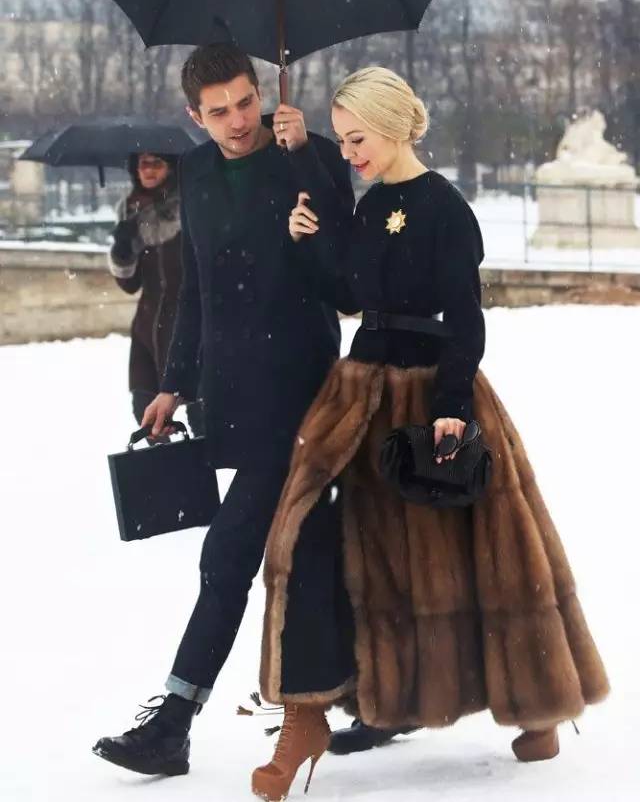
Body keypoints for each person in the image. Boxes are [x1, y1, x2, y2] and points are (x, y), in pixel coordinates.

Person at [251, 67, 609, 801]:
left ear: (392, 126)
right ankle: (337, 705)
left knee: (482, 558)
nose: (349, 153)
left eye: (357, 139)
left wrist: (451, 404)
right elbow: (351, 295)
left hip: (433, 392)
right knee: (349, 548)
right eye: (341, 140)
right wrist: (306, 244)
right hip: (362, 392)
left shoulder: (445, 207)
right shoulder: (370, 204)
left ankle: (537, 703)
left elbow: (465, 318)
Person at [93, 43, 354, 777]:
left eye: (247, 102)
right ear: (195, 116)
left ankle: (173, 722)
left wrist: (305, 164)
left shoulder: (310, 153)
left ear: (260, 93)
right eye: (220, 111)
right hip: (232, 393)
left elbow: (345, 278)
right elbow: (198, 291)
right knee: (318, 548)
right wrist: (173, 383)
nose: (239, 121)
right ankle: (377, 698)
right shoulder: (198, 173)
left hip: (303, 391)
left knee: (230, 552)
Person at [108, 152, 204, 436]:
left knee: (201, 413)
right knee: (146, 415)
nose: (148, 170)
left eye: (156, 163)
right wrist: (123, 251)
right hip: (147, 326)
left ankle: (205, 460)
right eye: (142, 163)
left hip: (189, 324)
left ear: (170, 167)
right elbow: (130, 284)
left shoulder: (190, 207)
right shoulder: (130, 212)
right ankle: (167, 463)